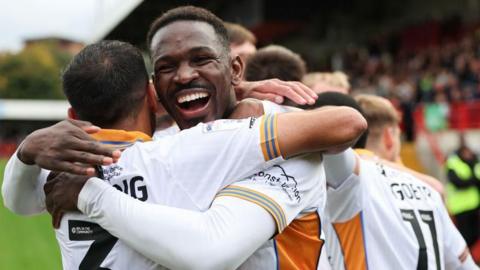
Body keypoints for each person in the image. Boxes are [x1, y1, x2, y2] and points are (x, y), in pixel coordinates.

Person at [3, 7, 365, 270]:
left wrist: (81, 188)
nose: (184, 75)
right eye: (166, 67)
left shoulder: (284, 145)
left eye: (202, 59)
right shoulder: (177, 148)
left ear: (235, 69)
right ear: (153, 91)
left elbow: (346, 122)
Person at [316, 93, 475, 269]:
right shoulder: (428, 189)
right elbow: (465, 265)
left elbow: (326, 132)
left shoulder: (351, 181)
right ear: (390, 137)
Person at [445, 133, 480, 248]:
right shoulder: (453, 162)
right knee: (464, 237)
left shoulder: (475, 162)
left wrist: (471, 181)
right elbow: (458, 183)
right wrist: (473, 180)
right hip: (460, 207)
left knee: (475, 235)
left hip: (474, 206)